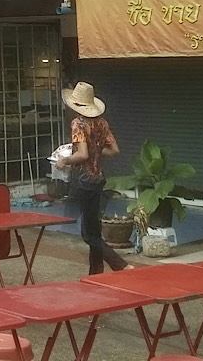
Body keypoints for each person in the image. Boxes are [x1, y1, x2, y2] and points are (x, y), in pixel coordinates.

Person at [55, 80, 131, 274]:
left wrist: (64, 161)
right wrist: (96, 151)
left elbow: (82, 155)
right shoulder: (102, 123)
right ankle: (96, 272)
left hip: (82, 180)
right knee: (94, 229)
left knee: (88, 234)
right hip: (98, 178)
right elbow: (114, 150)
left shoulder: (78, 124)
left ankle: (119, 264)